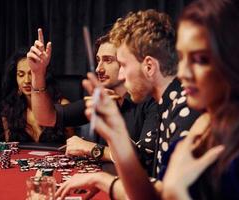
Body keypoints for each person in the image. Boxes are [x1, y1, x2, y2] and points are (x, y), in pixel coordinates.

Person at [56, 9, 199, 200]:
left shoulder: (184, 109)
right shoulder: (169, 104)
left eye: (123, 65)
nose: (121, 76)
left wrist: (102, 179)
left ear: (149, 67)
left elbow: (166, 196)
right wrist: (114, 136)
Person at [161, 0, 239, 199]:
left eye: (201, 60)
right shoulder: (204, 124)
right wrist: (116, 135)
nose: (182, 73)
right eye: (181, 57)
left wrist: (175, 194)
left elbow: (171, 190)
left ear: (237, 63)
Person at [27, 30, 158, 173]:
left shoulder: (152, 100)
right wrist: (38, 73)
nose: (98, 68)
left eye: (108, 60)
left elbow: (144, 158)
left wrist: (91, 148)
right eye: (98, 60)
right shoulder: (103, 98)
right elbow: (46, 118)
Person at [0, 48, 74, 143]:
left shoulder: (62, 106)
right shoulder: (9, 110)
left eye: (32, 74)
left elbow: (73, 148)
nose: (26, 81)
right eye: (21, 75)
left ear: (43, 76)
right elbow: (10, 149)